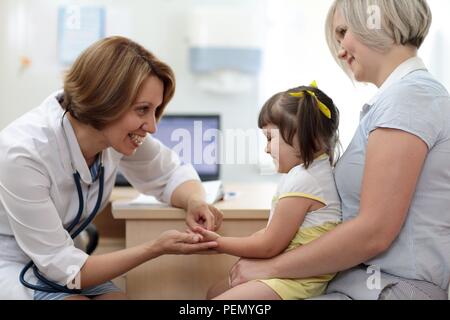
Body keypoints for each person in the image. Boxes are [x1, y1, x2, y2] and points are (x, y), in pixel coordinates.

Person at [226, 0, 450, 300]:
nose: (340, 49)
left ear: (381, 21)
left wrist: (270, 268)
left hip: (391, 290)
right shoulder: (397, 100)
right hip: (363, 285)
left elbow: (374, 232)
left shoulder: (407, 99)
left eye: (343, 32)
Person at [0, 36, 222, 300]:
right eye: (143, 110)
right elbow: (63, 267)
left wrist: (195, 201)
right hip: (14, 264)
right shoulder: (23, 153)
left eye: (155, 110)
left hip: (66, 260)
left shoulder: (112, 135)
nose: (152, 126)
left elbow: (171, 172)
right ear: (104, 100)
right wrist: (155, 248)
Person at [194, 81, 341, 300]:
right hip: (290, 273)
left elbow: (269, 246)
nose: (266, 148)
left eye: (270, 138)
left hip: (296, 282)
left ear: (301, 137)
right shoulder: (309, 173)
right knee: (213, 292)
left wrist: (218, 243)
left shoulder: (306, 180)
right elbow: (271, 234)